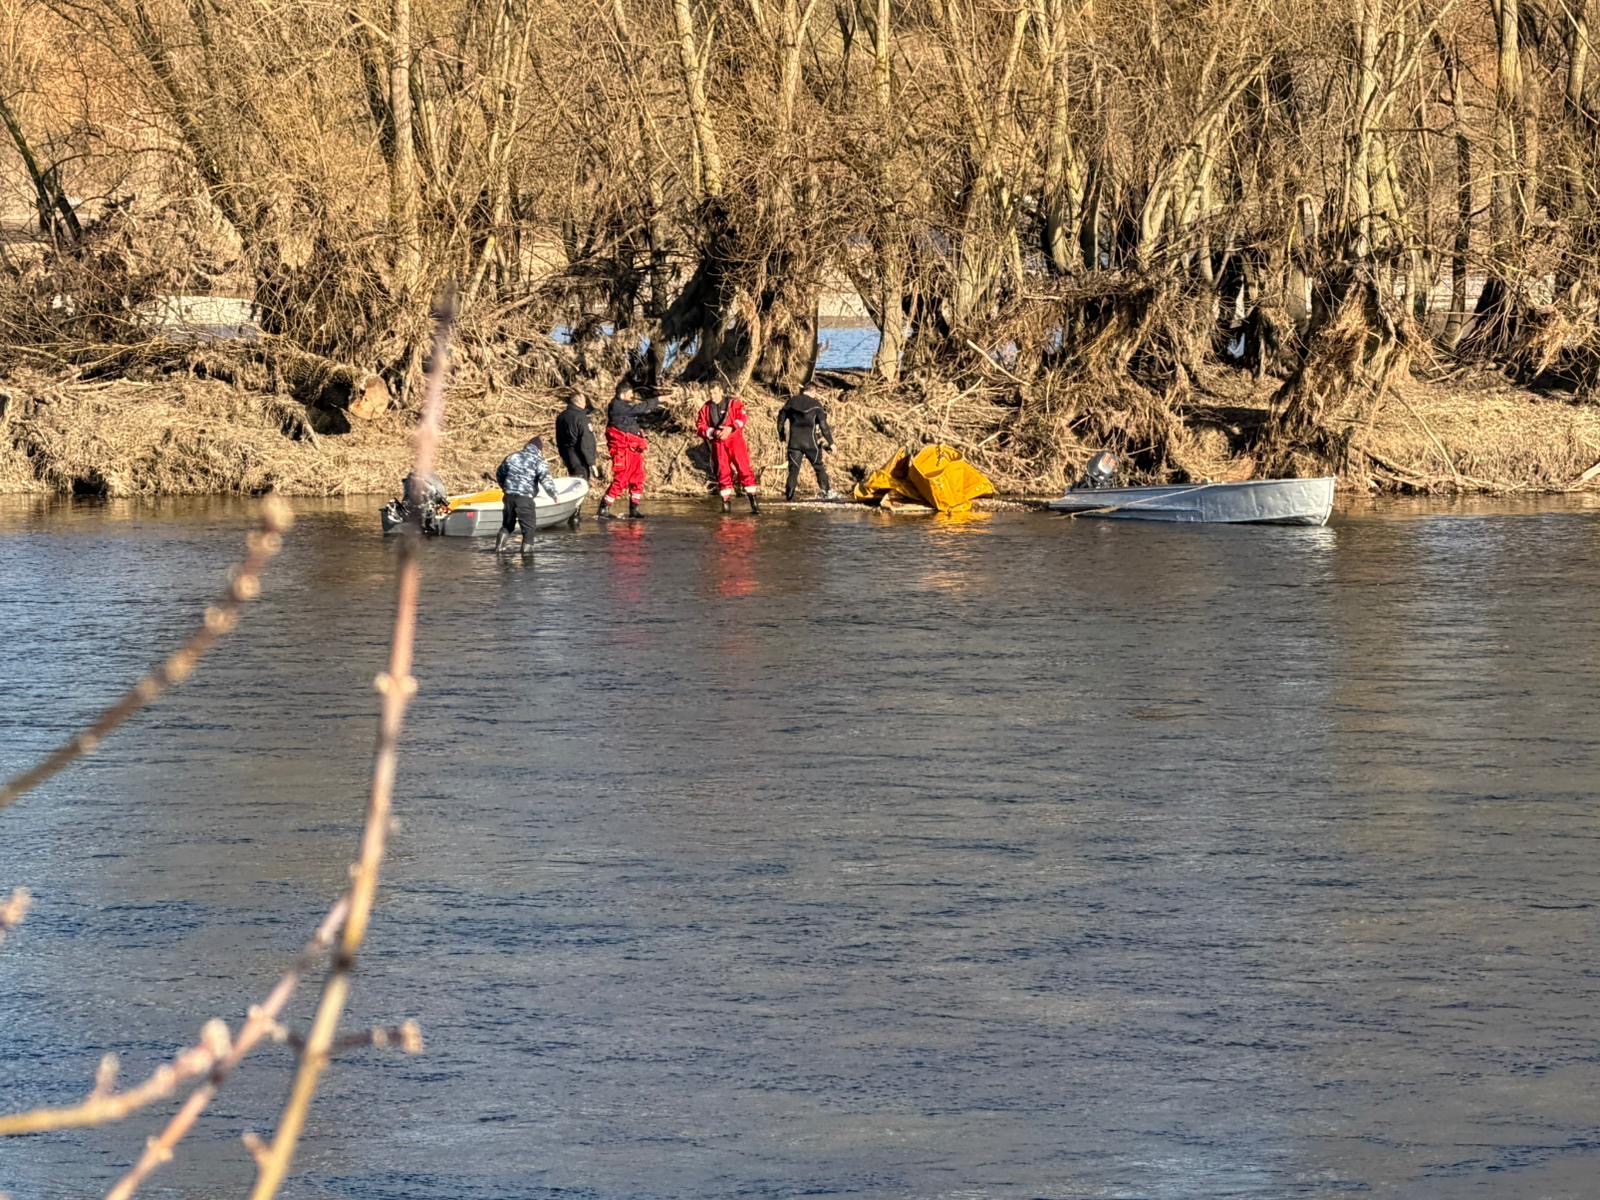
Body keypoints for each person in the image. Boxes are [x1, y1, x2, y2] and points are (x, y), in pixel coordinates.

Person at [598, 383, 660, 519]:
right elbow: (639, 409)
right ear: (623, 394)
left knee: (638, 477)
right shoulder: (617, 406)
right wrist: (659, 400)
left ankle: (634, 509)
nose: (632, 396)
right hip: (623, 450)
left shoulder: (623, 408)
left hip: (633, 449)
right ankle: (604, 508)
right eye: (630, 394)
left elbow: (631, 421)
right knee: (622, 478)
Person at [696, 391, 760, 514]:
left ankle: (754, 503)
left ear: (721, 392)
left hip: (735, 440)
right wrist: (713, 432)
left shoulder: (734, 403)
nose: (712, 396)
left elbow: (742, 418)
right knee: (722, 472)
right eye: (710, 394)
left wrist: (731, 428)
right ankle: (726, 506)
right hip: (718, 442)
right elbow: (700, 426)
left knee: (744, 468)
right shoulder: (705, 408)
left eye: (715, 393)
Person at [494, 436, 559, 553]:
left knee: (507, 526)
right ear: (539, 449)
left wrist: (504, 487)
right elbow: (546, 480)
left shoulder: (512, 457)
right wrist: (554, 494)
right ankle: (527, 562)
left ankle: (499, 549)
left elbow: (499, 473)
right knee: (529, 530)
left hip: (508, 497)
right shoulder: (539, 461)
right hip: (525, 498)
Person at [776, 388, 839, 501]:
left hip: (794, 443)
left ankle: (789, 498)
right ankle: (827, 494)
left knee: (793, 470)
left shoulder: (792, 401)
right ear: (812, 392)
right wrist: (831, 443)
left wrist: (781, 435)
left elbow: (781, 417)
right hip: (811, 444)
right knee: (819, 467)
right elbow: (824, 426)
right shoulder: (816, 405)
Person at [555, 391, 599, 481]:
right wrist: (591, 462)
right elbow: (586, 441)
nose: (585, 403)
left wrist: (563, 455)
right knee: (580, 485)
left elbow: (559, 440)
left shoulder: (561, 417)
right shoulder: (581, 417)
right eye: (584, 401)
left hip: (567, 456)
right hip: (579, 457)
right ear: (578, 402)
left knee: (574, 482)